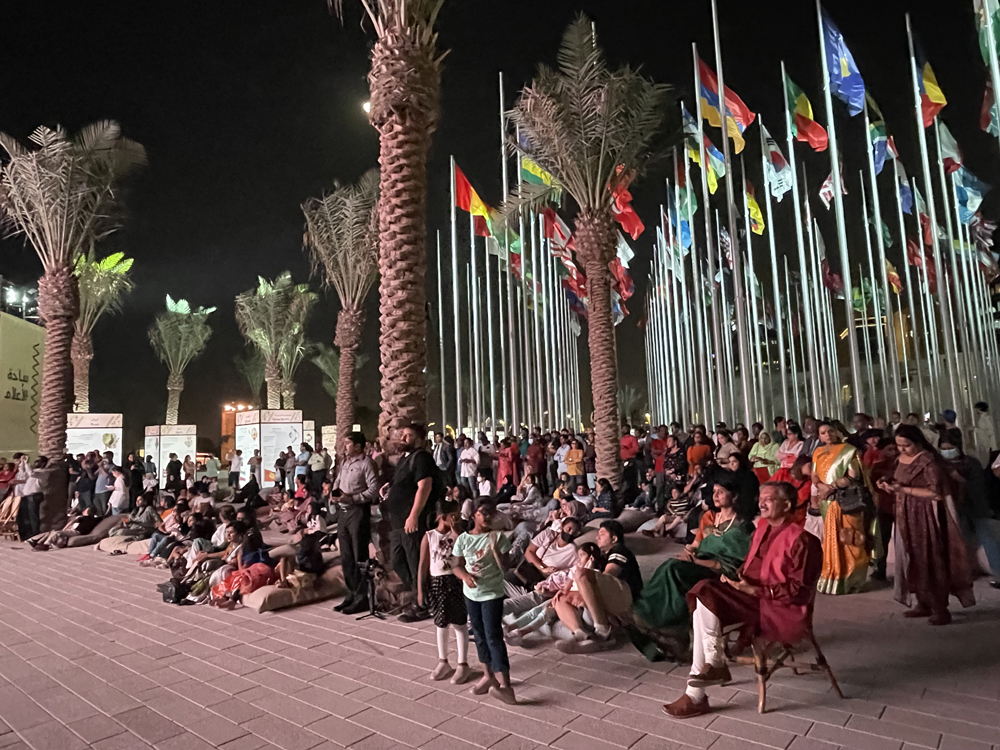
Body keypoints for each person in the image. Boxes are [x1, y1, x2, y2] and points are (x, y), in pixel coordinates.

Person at [663, 481, 823, 718]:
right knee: (701, 599)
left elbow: (798, 591)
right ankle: (705, 678)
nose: (762, 502)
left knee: (704, 592)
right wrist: (739, 578)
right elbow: (751, 566)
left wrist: (754, 590)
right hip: (750, 596)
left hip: (777, 606)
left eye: (769, 498)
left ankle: (703, 684)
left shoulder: (803, 541)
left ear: (787, 505)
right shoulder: (761, 529)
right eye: (761, 497)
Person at [630, 480, 754, 661]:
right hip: (697, 562)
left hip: (716, 573)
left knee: (674, 570)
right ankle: (647, 614)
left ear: (734, 496)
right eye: (714, 491)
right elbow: (698, 544)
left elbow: (729, 565)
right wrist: (688, 553)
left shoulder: (743, 526)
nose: (716, 495)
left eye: (721, 492)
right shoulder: (711, 517)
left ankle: (667, 625)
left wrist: (695, 561)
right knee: (667, 566)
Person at [878, 425, 975, 625]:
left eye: (906, 445)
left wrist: (904, 490)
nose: (902, 449)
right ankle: (923, 602)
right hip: (904, 513)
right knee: (912, 557)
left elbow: (935, 493)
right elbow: (899, 484)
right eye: (899, 445)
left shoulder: (928, 463)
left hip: (925, 516)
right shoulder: (899, 460)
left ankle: (940, 607)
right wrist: (888, 486)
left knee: (930, 559)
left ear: (918, 442)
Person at [452, 504, 516, 704]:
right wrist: (464, 576)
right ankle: (488, 675)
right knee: (478, 634)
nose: (487, 517)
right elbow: (455, 565)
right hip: (471, 594)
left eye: (490, 513)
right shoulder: (463, 539)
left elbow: (506, 567)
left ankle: (506, 685)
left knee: (493, 635)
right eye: (482, 513)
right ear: (474, 515)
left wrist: (498, 554)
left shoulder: (497, 537)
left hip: (492, 594)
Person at [383, 424, 441, 619]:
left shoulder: (421, 458)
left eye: (409, 435)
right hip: (398, 522)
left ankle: (423, 604)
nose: (404, 438)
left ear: (419, 439)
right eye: (402, 434)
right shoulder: (404, 459)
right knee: (398, 561)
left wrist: (414, 515)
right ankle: (419, 595)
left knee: (416, 561)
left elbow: (424, 486)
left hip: (411, 522)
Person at [811, 422, 874, 595]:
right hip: (826, 500)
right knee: (831, 538)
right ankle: (833, 576)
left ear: (837, 432)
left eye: (830, 431)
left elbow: (854, 477)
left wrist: (831, 487)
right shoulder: (817, 452)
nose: (828, 434)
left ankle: (852, 579)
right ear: (819, 436)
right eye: (823, 432)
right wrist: (820, 486)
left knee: (850, 537)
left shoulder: (848, 451)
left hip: (845, 499)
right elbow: (814, 474)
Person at [417, 500, 471, 684]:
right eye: (452, 515)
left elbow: (464, 552)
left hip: (455, 580)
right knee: (441, 623)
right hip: (437, 583)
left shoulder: (459, 535)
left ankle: (463, 663)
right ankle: (443, 661)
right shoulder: (429, 536)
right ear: (442, 517)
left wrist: (456, 531)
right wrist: (420, 590)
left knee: (460, 623)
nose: (456, 518)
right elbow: (423, 564)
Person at [940, 428, 1000, 589]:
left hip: (976, 507)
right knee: (959, 541)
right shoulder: (940, 464)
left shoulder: (971, 463)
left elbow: (978, 487)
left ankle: (998, 573)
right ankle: (963, 573)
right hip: (952, 508)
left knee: (988, 539)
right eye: (943, 449)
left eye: (950, 448)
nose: (947, 452)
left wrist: (959, 479)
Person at [334, 432, 381, 614]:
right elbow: (338, 481)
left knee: (358, 555)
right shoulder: (345, 463)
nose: (345, 447)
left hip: (357, 512)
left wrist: (353, 498)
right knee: (346, 557)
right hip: (343, 513)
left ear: (359, 446)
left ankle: (362, 597)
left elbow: (373, 489)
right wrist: (334, 493)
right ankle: (351, 593)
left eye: (348, 443)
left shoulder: (367, 464)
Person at [28, 507, 101, 550]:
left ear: (87, 512)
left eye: (85, 510)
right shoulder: (94, 520)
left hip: (76, 532)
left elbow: (71, 522)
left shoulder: (82, 517)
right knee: (53, 531)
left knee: (57, 533)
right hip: (76, 531)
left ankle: (46, 544)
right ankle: (38, 542)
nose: (83, 511)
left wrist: (64, 529)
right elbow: (102, 516)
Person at [18, 456, 47, 538]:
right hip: (28, 496)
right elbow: (23, 472)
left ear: (43, 463)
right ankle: (29, 532)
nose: (36, 463)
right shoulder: (36, 471)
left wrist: (27, 463)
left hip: (35, 496)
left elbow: (30, 473)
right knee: (28, 516)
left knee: (33, 516)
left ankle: (35, 533)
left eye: (39, 461)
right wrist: (23, 462)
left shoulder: (43, 472)